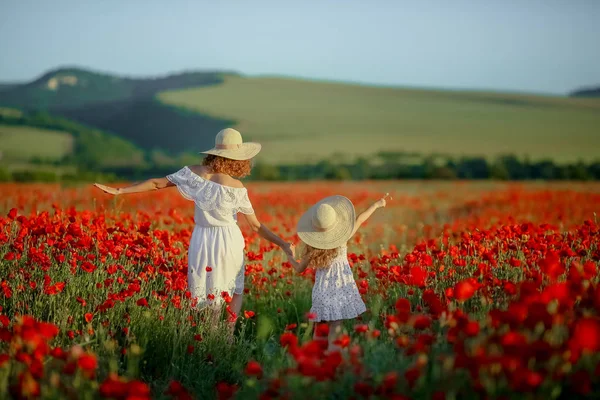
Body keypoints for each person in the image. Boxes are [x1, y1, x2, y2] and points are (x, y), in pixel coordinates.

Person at [94, 128, 293, 325]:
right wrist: (283, 244)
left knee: (205, 289)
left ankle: (208, 333)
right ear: (237, 158)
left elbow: (156, 183)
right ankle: (227, 335)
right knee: (234, 289)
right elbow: (256, 226)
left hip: (201, 239)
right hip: (228, 241)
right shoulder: (237, 188)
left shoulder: (193, 173)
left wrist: (120, 191)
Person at [286, 193, 389, 351]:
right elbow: (360, 219)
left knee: (319, 328)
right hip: (340, 289)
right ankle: (333, 358)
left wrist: (290, 255)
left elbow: (299, 268)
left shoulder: (313, 248)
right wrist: (377, 205)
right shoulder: (343, 238)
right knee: (336, 327)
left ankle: (315, 357)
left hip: (322, 291)